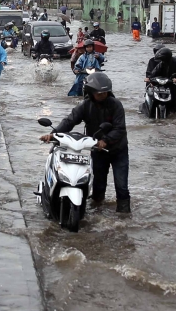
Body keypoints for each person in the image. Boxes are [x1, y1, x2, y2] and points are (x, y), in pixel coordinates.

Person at [40, 73, 130, 213]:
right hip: (97, 151)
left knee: (121, 186)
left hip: (118, 150)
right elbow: (70, 121)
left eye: (105, 92)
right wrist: (54, 135)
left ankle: (124, 218)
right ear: (90, 92)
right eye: (99, 93)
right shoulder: (85, 105)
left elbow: (120, 129)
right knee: (98, 185)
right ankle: (97, 213)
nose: (103, 95)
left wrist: (105, 141)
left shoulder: (116, 105)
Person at [145, 47, 176, 113]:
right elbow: (154, 73)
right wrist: (149, 79)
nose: (162, 61)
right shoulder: (161, 64)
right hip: (168, 85)